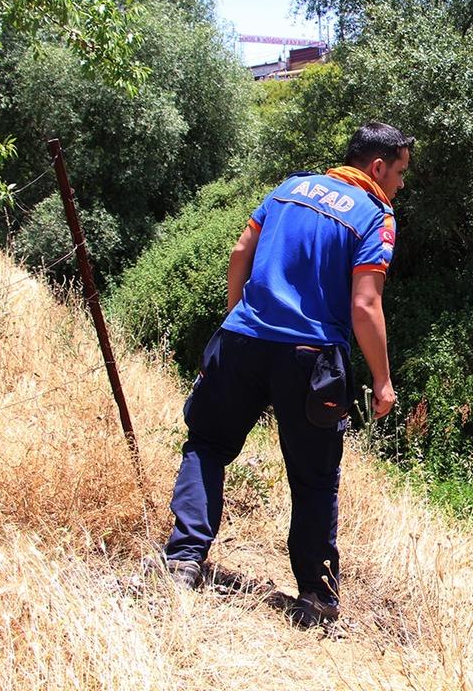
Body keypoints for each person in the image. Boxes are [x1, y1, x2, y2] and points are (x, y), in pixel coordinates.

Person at [158, 121, 412, 627]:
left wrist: (238, 318)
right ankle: (315, 600)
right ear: (377, 167)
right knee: (315, 478)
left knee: (207, 444)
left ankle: (183, 560)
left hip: (245, 339)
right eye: (401, 173)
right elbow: (365, 304)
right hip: (311, 359)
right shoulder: (373, 216)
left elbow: (239, 255)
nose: (402, 185)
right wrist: (382, 381)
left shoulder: (289, 188)